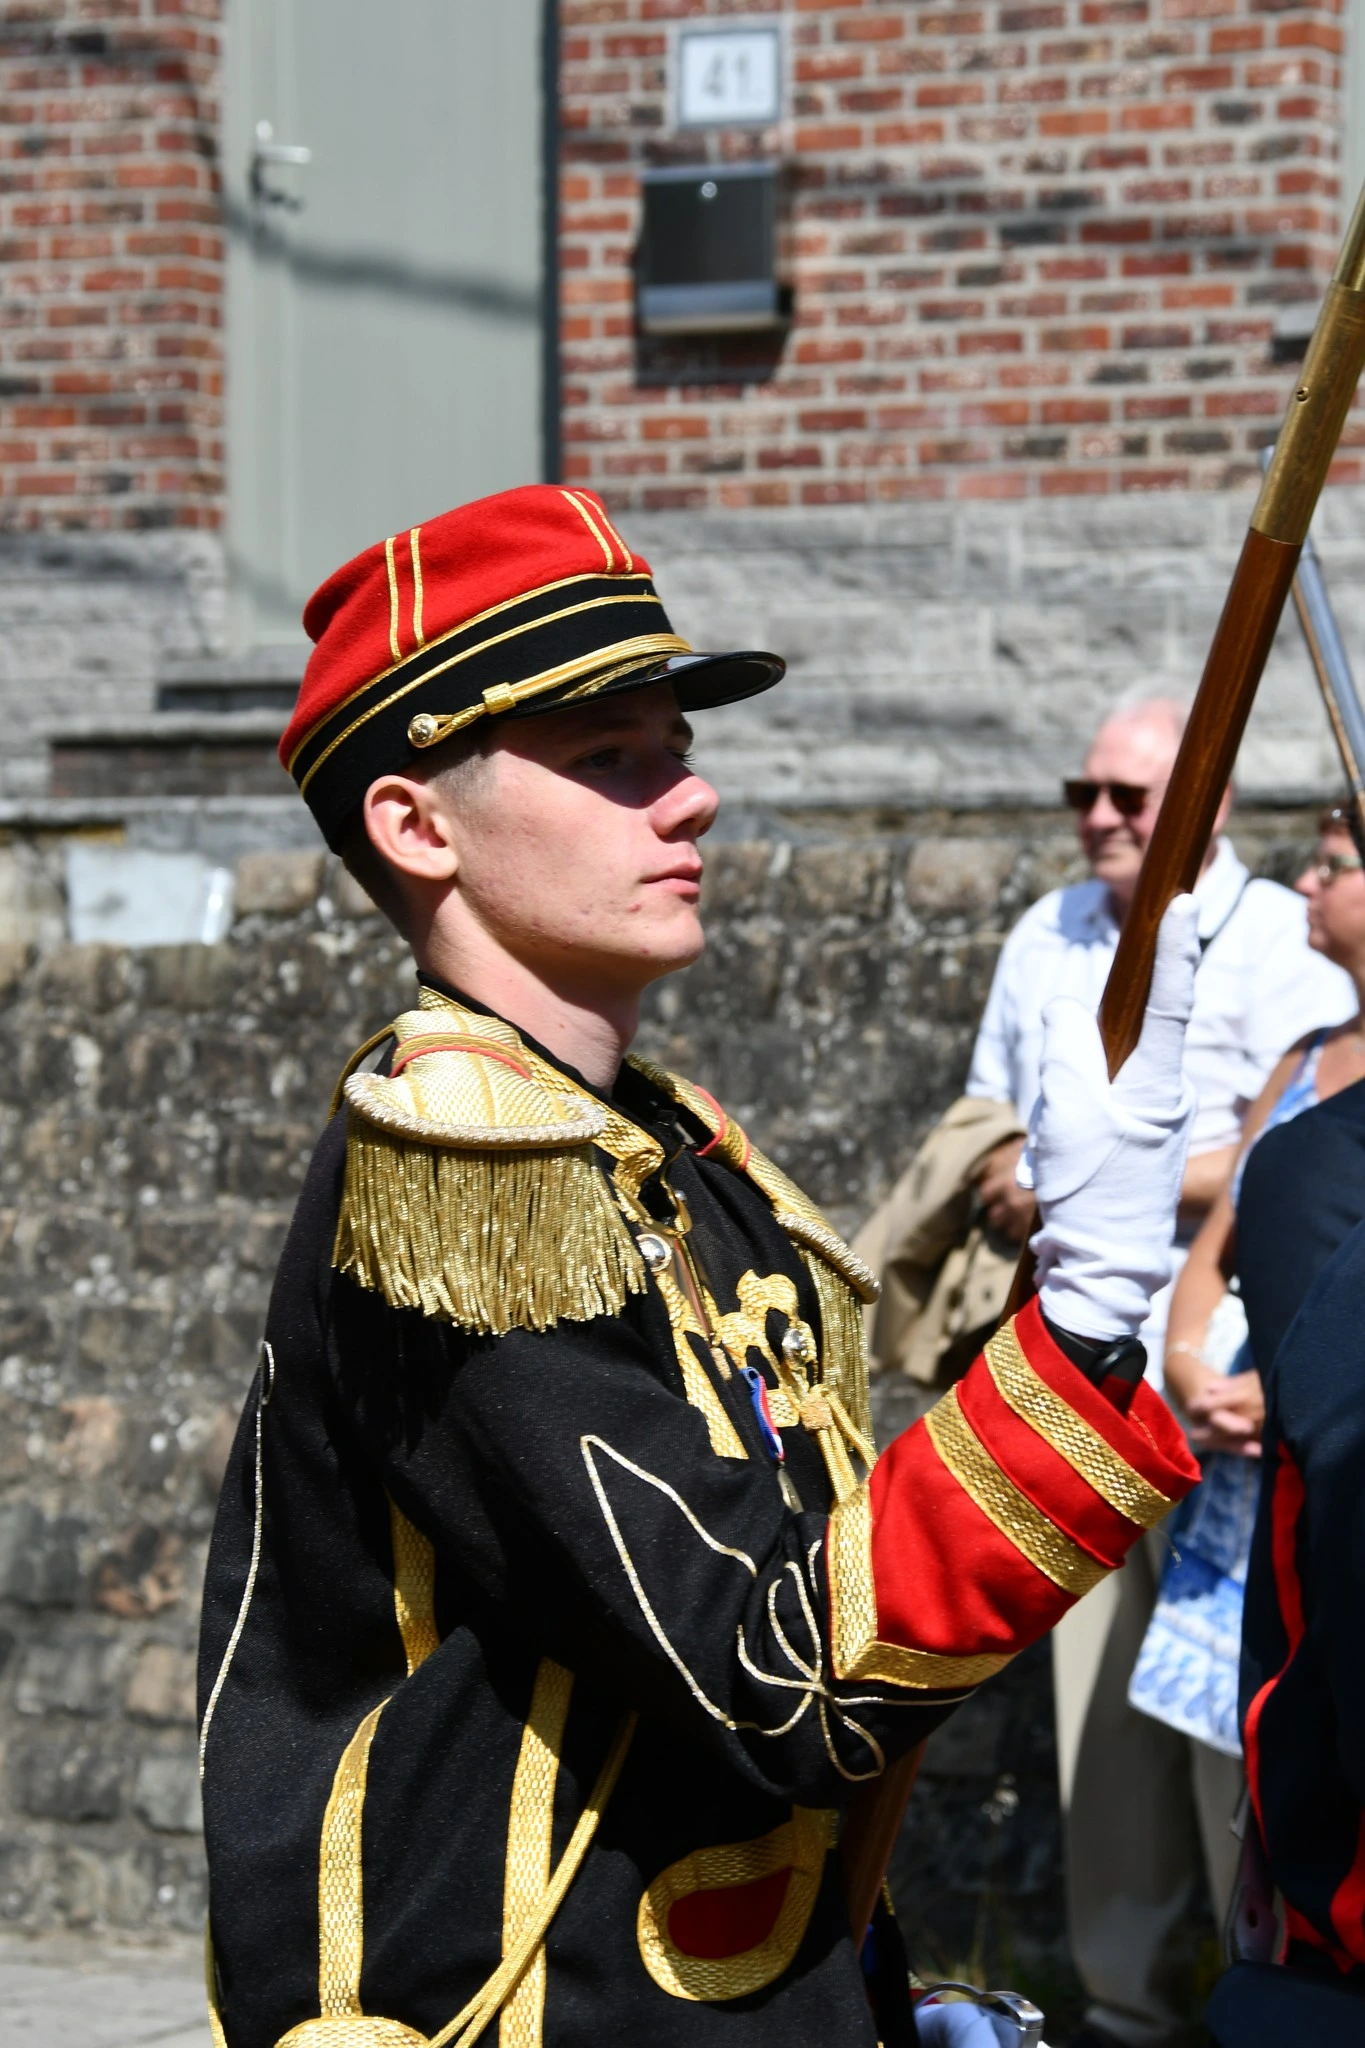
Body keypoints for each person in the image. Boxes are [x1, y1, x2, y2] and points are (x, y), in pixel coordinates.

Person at [196, 485, 1201, 2048]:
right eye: (612, 759)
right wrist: (1083, 1327)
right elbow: (775, 1669)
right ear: (416, 825)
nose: (694, 797)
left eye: (676, 745)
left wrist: (1081, 1280)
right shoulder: (465, 1173)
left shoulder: (658, 1141)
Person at [1086, 803, 1365, 2048]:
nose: (1311, 879)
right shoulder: (1311, 1080)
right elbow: (1224, 1240)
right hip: (1246, 1451)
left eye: (1337, 862)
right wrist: (1198, 1364)